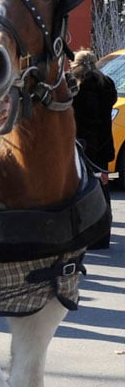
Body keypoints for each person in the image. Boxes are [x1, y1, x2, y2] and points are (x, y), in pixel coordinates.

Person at [71, 49, 116, 250]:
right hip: (103, 145)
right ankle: (103, 235)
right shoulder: (107, 84)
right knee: (102, 190)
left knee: (83, 193)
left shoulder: (77, 87)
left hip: (82, 148)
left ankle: (87, 236)